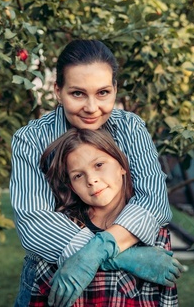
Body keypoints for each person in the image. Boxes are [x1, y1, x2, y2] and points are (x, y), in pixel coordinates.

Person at [10, 39, 180, 306]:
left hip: (127, 289)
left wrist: (100, 248)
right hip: (54, 279)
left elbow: (154, 202)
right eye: (77, 93)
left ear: (115, 89)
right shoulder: (31, 139)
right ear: (58, 90)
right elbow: (35, 223)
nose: (91, 108)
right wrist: (123, 256)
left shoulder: (130, 129)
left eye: (102, 93)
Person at [26, 128, 180, 306]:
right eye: (78, 175)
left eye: (98, 165)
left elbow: (166, 300)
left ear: (122, 165)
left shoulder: (154, 234)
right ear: (72, 187)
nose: (91, 180)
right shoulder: (61, 230)